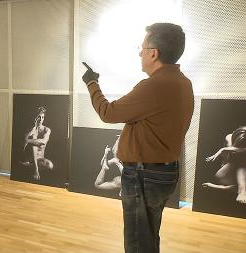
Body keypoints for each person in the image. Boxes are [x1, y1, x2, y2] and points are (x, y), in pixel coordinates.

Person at [82, 23, 194, 253]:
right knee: (148, 235)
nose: (139, 53)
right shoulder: (183, 83)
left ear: (154, 53)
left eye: (142, 48)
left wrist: (92, 83)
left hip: (145, 175)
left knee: (136, 241)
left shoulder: (154, 86)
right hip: (164, 172)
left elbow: (108, 112)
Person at [203, 126, 246, 204]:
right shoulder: (230, 138)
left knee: (241, 163)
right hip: (225, 173)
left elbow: (233, 187)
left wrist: (212, 186)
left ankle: (242, 191)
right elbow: (225, 150)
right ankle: (242, 190)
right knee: (240, 160)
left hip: (231, 178)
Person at [20, 106, 53, 180]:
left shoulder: (47, 130)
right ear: (35, 118)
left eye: (42, 117)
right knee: (34, 146)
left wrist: (28, 141)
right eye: (39, 117)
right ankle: (35, 169)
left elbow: (44, 141)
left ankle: (29, 166)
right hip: (29, 157)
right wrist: (33, 128)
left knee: (50, 165)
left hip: (40, 158)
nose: (41, 119)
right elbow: (23, 144)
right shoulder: (31, 129)